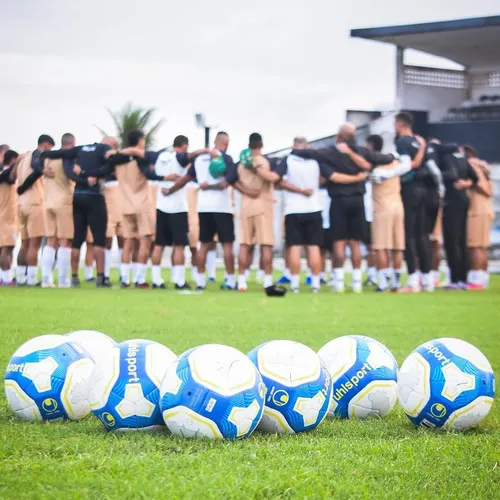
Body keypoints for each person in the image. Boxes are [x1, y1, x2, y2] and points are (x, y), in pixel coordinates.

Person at [292, 123, 394, 293]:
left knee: (338, 243)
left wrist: (296, 150)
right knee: (355, 243)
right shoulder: (362, 151)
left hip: (339, 201)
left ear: (339, 136)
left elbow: (307, 153)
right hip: (358, 200)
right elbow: (384, 159)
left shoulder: (330, 152)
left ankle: (338, 281)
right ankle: (356, 282)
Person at [41, 137, 121, 287]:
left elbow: (58, 153)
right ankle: (100, 277)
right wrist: (89, 173)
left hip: (77, 196)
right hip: (95, 196)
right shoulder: (105, 151)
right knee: (99, 239)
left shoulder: (81, 149)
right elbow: (107, 169)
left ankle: (74, 277)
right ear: (111, 146)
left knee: (77, 238)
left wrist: (42, 162)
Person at [163, 131, 237, 290]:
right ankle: (231, 280)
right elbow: (226, 183)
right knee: (227, 246)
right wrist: (209, 186)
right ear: (226, 143)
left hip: (204, 208)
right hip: (222, 208)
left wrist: (170, 190)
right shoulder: (226, 158)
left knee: (203, 244)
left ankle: (200, 281)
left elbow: (185, 179)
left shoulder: (199, 159)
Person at [150, 135, 210, 289]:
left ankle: (156, 280)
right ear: (184, 146)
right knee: (179, 245)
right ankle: (179, 280)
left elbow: (140, 154)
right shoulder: (180, 157)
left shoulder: (159, 156)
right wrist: (208, 150)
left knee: (159, 245)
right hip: (177, 207)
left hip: (160, 205)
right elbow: (192, 155)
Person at [274, 137, 323, 293]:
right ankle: (315, 282)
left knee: (295, 247)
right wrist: (312, 187)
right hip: (313, 207)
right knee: (313, 247)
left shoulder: (289, 159)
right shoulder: (316, 160)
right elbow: (326, 176)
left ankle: (294, 282)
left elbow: (278, 180)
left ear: (293, 146)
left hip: (294, 209)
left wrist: (298, 190)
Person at [234, 133, 281, 293]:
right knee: (266, 244)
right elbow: (270, 178)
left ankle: (241, 280)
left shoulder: (241, 164)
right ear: (261, 144)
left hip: (246, 205)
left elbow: (235, 182)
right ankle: (267, 280)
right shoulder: (262, 161)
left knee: (244, 244)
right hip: (263, 205)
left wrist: (246, 190)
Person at [392, 112, 429, 292]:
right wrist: (422, 147)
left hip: (409, 189)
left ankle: (413, 280)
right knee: (422, 235)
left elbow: (410, 165)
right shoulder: (419, 140)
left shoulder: (402, 142)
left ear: (399, 123)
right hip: (424, 190)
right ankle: (427, 279)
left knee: (408, 235)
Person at [14, 135, 55, 286]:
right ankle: (31, 279)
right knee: (34, 244)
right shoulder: (37, 156)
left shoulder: (21, 160)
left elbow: (13, 176)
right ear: (45, 145)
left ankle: (20, 277)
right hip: (35, 202)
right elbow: (37, 170)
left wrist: (21, 189)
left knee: (24, 244)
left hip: (21, 203)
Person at [366, 135, 405, 292]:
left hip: (382, 208)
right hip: (398, 207)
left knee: (381, 247)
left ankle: (382, 283)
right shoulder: (396, 164)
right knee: (397, 247)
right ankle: (395, 282)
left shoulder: (375, 168)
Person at [40, 133, 77, 288]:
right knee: (65, 241)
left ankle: (46, 279)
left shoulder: (49, 158)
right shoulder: (67, 158)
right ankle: (63, 279)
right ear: (73, 144)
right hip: (64, 202)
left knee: (50, 241)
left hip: (48, 202)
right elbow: (72, 176)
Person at [440, 145, 478, 290]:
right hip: (463, 200)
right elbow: (475, 178)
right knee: (461, 241)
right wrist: (466, 183)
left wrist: (436, 174)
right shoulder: (464, 160)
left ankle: (455, 279)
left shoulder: (447, 158)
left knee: (452, 241)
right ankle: (462, 279)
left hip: (452, 202)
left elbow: (451, 174)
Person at [463, 145, 492, 290]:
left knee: (475, 247)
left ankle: (476, 280)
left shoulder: (475, 167)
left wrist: (469, 183)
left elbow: (486, 189)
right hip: (483, 210)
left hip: (477, 210)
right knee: (480, 247)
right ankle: (481, 278)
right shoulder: (482, 166)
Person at [0, 150, 19, 285]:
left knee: (5, 248)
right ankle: (6, 279)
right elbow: (10, 176)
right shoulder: (7, 176)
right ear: (13, 160)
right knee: (7, 249)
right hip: (7, 217)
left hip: (6, 216)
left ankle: (6, 277)